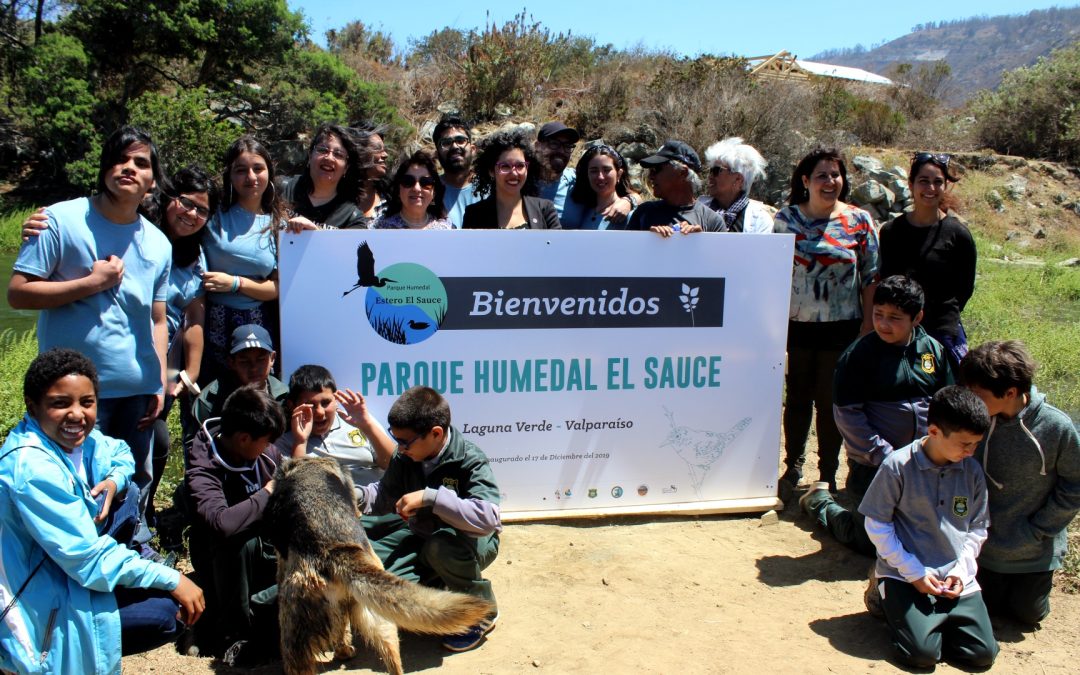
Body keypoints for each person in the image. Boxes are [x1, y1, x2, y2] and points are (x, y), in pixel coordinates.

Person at [8, 125, 172, 534]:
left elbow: (157, 319)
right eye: (120, 159)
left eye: (141, 162)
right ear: (104, 168)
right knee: (72, 491)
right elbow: (19, 293)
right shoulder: (59, 220)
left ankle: (131, 557)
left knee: (131, 485)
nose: (129, 168)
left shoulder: (159, 243)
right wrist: (91, 283)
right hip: (73, 395)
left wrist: (159, 381)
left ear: (152, 180)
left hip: (135, 389)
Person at [0, 349, 204, 675]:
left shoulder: (84, 441)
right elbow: (87, 559)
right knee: (167, 612)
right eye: (60, 403)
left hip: (67, 573)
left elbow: (120, 451)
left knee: (129, 494)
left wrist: (114, 480)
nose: (77, 414)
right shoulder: (32, 469)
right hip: (43, 603)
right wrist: (173, 577)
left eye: (87, 402)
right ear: (31, 405)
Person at [800, 276, 954, 556]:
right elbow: (848, 417)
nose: (883, 324)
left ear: (916, 317)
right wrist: (885, 456)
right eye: (878, 314)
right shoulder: (858, 355)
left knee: (923, 536)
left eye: (895, 317)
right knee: (870, 543)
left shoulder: (933, 351)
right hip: (873, 466)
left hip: (924, 463)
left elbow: (947, 405)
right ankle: (820, 502)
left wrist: (937, 450)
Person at [859, 385, 997, 670]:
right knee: (921, 656)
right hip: (905, 573)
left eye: (976, 444)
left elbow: (977, 527)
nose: (971, 451)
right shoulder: (897, 466)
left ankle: (929, 623)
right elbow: (877, 525)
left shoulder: (971, 471)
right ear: (934, 432)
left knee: (982, 655)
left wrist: (962, 570)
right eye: (964, 444)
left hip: (954, 576)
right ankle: (883, 593)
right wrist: (913, 572)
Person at [356, 386, 502, 652]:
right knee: (385, 589)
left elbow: (488, 519)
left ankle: (481, 613)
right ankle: (438, 581)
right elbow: (384, 494)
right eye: (396, 439)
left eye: (405, 442)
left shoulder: (470, 459)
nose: (399, 448)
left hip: (468, 543)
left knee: (441, 546)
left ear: (436, 433)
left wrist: (431, 498)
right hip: (422, 537)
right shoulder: (407, 455)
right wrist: (354, 495)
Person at [774, 147, 880, 494]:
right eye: (822, 175)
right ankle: (792, 467)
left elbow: (871, 277)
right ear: (806, 181)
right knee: (798, 399)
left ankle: (828, 472)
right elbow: (770, 275)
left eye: (836, 175)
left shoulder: (859, 221)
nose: (830, 181)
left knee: (831, 402)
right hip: (796, 327)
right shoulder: (785, 220)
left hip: (843, 328)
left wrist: (867, 326)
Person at [959, 340, 1080, 626]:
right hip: (983, 546)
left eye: (976, 393)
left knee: (1028, 615)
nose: (969, 398)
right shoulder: (974, 418)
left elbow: (1075, 484)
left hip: (1032, 548)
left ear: (1010, 392)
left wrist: (1039, 530)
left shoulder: (1055, 427)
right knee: (986, 609)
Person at [186, 383, 289, 664]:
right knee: (237, 542)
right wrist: (268, 492)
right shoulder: (202, 468)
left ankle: (275, 617)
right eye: (266, 441)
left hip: (264, 550)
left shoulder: (266, 455)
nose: (270, 448)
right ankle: (234, 637)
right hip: (222, 559)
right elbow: (222, 523)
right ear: (244, 438)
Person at [879, 152, 976, 368]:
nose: (930, 188)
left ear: (945, 186)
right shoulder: (891, 232)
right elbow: (884, 281)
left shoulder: (958, 234)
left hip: (941, 333)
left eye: (937, 182)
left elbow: (964, 289)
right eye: (924, 181)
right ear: (911, 184)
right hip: (897, 332)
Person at [202, 136, 284, 381]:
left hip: (258, 326)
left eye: (258, 168)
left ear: (269, 171)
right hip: (210, 322)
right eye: (241, 170)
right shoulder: (211, 215)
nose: (251, 177)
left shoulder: (278, 224)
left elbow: (277, 287)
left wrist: (235, 283)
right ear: (230, 175)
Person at [274, 364, 395, 494]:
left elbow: (394, 466)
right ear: (293, 406)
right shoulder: (284, 443)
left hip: (380, 506)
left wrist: (367, 426)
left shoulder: (357, 420)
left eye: (326, 403)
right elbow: (298, 490)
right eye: (310, 405)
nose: (320, 412)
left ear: (336, 399)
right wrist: (301, 441)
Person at [190, 324, 288, 444]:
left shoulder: (285, 397)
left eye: (261, 359)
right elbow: (195, 445)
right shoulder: (210, 400)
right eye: (244, 361)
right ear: (231, 362)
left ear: (272, 358)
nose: (254, 368)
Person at [620, 140, 726, 235]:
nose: (651, 176)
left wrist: (702, 241)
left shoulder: (713, 221)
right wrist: (649, 240)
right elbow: (626, 254)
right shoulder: (643, 213)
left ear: (682, 173)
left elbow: (720, 257)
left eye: (657, 169)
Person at [462, 129, 561, 230]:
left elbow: (558, 245)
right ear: (491, 171)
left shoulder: (545, 210)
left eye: (520, 166)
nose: (514, 173)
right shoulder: (474, 215)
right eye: (505, 166)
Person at [280, 122, 366, 230]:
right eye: (323, 150)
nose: (329, 158)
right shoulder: (281, 189)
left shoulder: (352, 218)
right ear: (310, 155)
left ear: (346, 167)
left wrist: (315, 232)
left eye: (338, 154)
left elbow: (349, 247)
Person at [699, 137, 774, 233]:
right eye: (710, 170)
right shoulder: (697, 209)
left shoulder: (760, 221)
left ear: (738, 179)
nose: (710, 176)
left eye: (716, 170)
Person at [561, 143, 638, 230]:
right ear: (587, 175)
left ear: (619, 174)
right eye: (594, 171)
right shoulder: (580, 212)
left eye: (606, 170)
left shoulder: (629, 215)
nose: (600, 177)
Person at [375, 150, 454, 230]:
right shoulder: (378, 228)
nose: (417, 188)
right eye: (408, 181)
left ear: (434, 192)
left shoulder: (447, 229)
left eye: (426, 182)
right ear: (398, 189)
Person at [433, 114, 481, 228]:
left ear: (473, 149)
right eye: (446, 143)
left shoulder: (491, 187)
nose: (454, 146)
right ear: (437, 154)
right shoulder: (429, 192)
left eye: (460, 140)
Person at [352, 123, 391, 228]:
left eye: (384, 149)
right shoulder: (333, 198)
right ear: (358, 151)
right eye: (377, 148)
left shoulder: (392, 199)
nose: (385, 155)